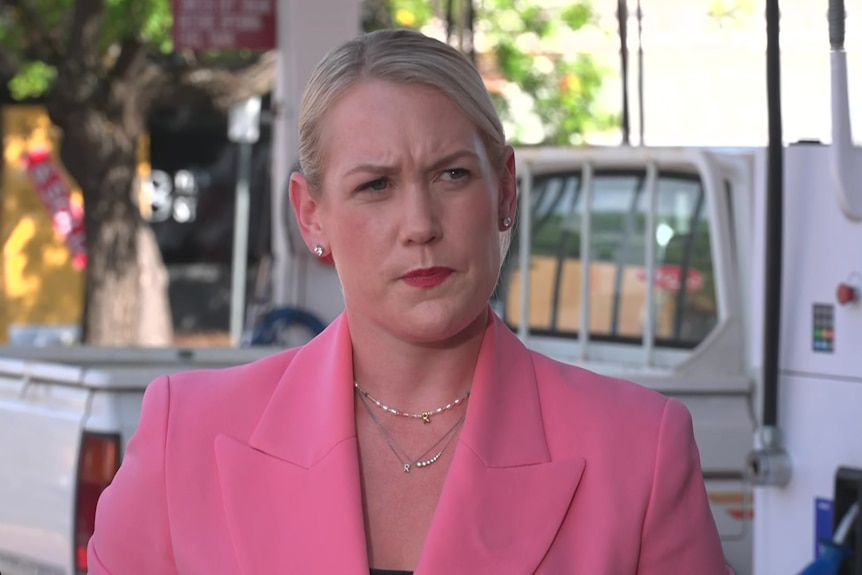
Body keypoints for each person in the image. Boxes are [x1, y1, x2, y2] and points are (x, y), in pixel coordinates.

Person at [87, 28, 732, 574]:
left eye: (452, 174)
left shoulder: (638, 452)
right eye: (376, 185)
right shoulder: (185, 438)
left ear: (505, 191)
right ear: (311, 215)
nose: (420, 224)